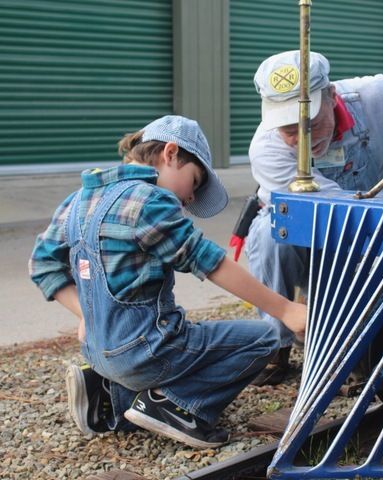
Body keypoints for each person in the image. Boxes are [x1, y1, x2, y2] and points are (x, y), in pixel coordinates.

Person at [28, 115, 306, 448]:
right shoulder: (149, 200)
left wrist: (86, 315)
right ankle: (178, 407)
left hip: (96, 350)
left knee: (178, 336)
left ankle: (112, 398)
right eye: (196, 181)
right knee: (262, 338)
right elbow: (210, 261)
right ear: (170, 154)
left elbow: (42, 264)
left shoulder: (77, 201)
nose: (191, 198)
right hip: (147, 354)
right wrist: (285, 308)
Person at [245, 50, 383, 385]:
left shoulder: (374, 96)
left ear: (331, 96)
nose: (302, 138)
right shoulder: (266, 148)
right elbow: (329, 207)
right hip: (306, 233)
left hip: (362, 229)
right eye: (289, 129)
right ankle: (276, 344)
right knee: (268, 234)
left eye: (312, 124)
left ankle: (357, 338)